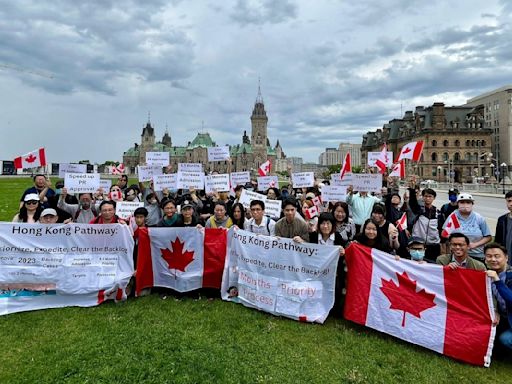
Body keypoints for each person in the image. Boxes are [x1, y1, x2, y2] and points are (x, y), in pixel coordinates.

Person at [444, 193, 491, 262]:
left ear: (472, 204)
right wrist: (457, 242)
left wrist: (475, 245)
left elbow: (488, 237)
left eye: (468, 202)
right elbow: (444, 233)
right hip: (458, 255)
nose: (465, 205)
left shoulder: (479, 218)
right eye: (462, 202)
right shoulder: (453, 217)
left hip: (477, 254)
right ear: (458, 204)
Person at [484, 243, 512, 355]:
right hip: (503, 317)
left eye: (497, 256)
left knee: (505, 339)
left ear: (506, 258)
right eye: (489, 256)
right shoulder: (486, 274)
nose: (493, 259)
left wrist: (497, 280)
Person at [408, 186, 443, 263]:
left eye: (430, 196)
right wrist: (412, 190)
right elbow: (412, 203)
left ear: (434, 198)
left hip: (434, 245)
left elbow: (441, 229)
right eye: (426, 196)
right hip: (419, 245)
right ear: (423, 197)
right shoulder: (419, 210)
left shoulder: (438, 213)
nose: (427, 198)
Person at [495, 191, 512, 263]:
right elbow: (497, 241)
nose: (511, 204)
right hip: (505, 260)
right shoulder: (502, 219)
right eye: (509, 201)